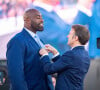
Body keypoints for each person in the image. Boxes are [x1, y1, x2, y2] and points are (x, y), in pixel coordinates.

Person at [6, 9, 54, 90]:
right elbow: (16, 75)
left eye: (42, 17)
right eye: (38, 17)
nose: (42, 20)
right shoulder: (17, 41)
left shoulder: (39, 40)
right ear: (27, 20)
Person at [39, 24, 90, 90]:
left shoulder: (71, 54)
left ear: (76, 38)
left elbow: (49, 69)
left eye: (70, 34)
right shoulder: (85, 55)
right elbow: (67, 66)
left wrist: (44, 55)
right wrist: (55, 53)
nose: (67, 36)